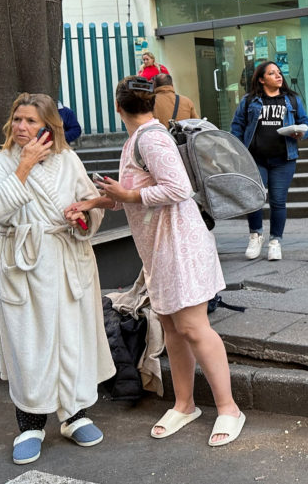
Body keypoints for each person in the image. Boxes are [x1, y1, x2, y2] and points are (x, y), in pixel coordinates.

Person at [68, 76, 244, 447]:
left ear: (117, 108)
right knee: (170, 327)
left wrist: (127, 193)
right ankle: (184, 404)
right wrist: (98, 201)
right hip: (161, 251)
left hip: (180, 247)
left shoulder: (151, 137)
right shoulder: (137, 139)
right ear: (152, 103)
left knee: (194, 328)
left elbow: (178, 188)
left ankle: (229, 409)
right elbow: (129, 195)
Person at [0, 93, 114, 465]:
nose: (22, 127)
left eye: (31, 121)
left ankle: (73, 415)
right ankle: (30, 424)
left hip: (66, 256)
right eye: (17, 119)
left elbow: (90, 206)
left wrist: (81, 219)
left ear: (48, 127)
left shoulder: (69, 160)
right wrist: (23, 167)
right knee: (29, 344)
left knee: (72, 337)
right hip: (21, 262)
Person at [231, 61, 308, 261]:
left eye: (279, 72)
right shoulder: (250, 101)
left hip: (284, 159)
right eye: (272, 73)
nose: (278, 76)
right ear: (261, 79)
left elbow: (306, 124)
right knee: (255, 198)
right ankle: (255, 236)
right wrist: (239, 151)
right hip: (255, 159)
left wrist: (301, 133)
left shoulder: (291, 100)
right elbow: (237, 127)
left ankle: (275, 241)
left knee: (278, 201)